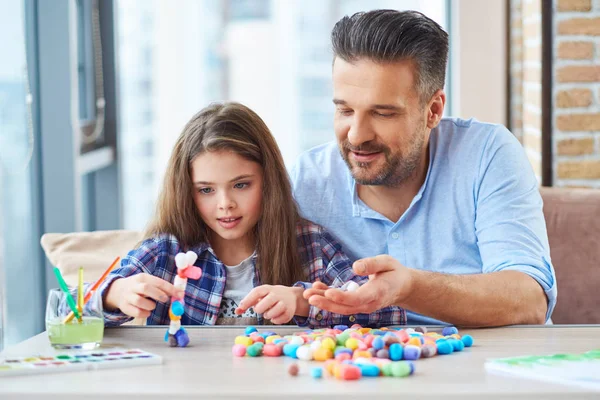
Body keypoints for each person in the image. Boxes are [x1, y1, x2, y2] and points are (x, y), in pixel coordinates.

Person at [294, 10, 557, 327]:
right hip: (362, 371)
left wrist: (408, 288)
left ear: (433, 110)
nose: (356, 135)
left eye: (383, 113)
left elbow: (529, 300)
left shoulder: (487, 153)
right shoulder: (306, 181)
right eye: (345, 110)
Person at [88, 102, 405, 327]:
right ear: (186, 190)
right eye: (206, 190)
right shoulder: (166, 253)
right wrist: (114, 294)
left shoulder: (311, 245)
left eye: (241, 185)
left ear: (268, 180)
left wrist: (304, 302)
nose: (225, 204)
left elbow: (385, 311)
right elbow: (70, 306)